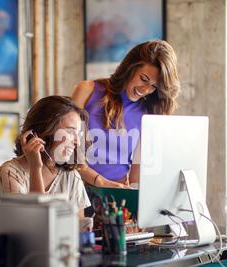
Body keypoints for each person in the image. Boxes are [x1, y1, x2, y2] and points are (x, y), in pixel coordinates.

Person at [72, 40, 180, 188]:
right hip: (79, 189)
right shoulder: (87, 91)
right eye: (143, 79)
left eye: (154, 86)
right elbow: (69, 153)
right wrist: (102, 182)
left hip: (117, 196)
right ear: (130, 68)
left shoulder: (148, 113)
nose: (145, 90)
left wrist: (133, 198)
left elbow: (136, 176)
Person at [0, 96, 92, 230]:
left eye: (78, 134)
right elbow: (32, 230)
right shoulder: (9, 173)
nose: (77, 142)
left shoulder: (71, 176)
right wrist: (35, 168)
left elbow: (79, 231)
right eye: (69, 132)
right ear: (42, 133)